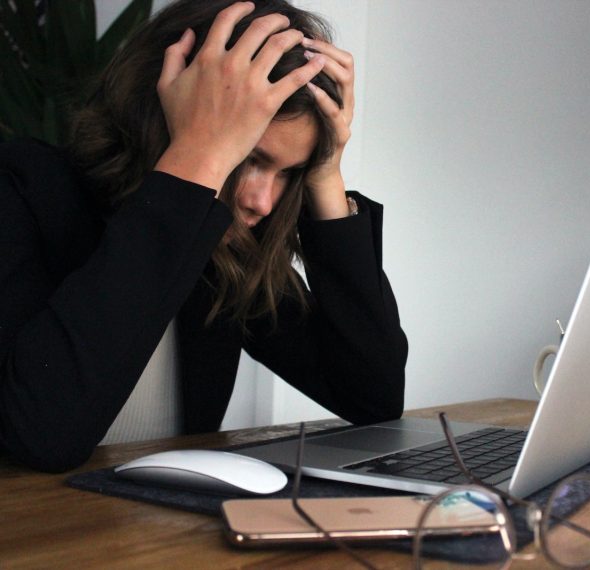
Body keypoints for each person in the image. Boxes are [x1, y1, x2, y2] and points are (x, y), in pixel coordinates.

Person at [0, 0, 407, 473]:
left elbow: (372, 397)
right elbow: (41, 436)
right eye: (250, 157)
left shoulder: (222, 249)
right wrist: (197, 156)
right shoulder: (23, 190)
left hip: (158, 540)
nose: (262, 202)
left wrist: (325, 176)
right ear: (163, 114)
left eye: (288, 172)